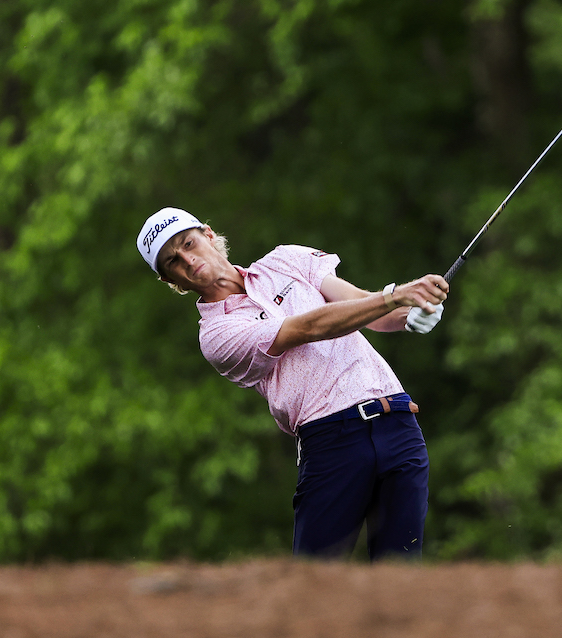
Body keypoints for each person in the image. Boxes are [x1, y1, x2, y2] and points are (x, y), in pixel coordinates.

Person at [136, 206, 449, 561]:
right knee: (314, 586)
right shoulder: (216, 335)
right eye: (173, 261)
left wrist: (411, 313)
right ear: (171, 281)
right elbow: (307, 328)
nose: (188, 260)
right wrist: (395, 296)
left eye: (188, 244)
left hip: (398, 423)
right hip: (331, 441)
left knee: (401, 573)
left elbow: (362, 306)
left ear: (209, 235)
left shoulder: (285, 260)